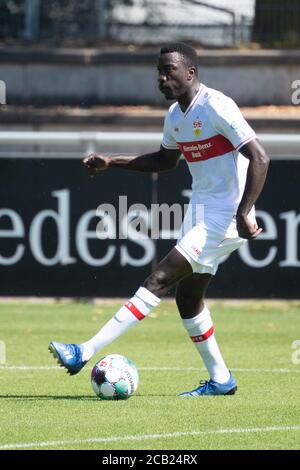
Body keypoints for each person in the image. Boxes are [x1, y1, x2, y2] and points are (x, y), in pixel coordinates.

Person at [49, 42, 269, 396]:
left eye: (170, 71)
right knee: (188, 297)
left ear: (191, 72)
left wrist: (244, 211)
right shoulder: (175, 117)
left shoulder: (217, 106)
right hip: (201, 209)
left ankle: (84, 351)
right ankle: (222, 379)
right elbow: (165, 161)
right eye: (159, 72)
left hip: (225, 214)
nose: (162, 78)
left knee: (158, 279)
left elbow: (260, 157)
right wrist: (112, 163)